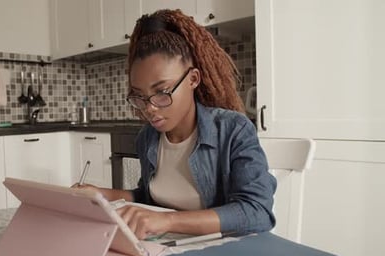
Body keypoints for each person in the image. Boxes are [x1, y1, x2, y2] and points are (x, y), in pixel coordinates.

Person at [76, 9, 276, 240]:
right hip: (163, 246)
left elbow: (257, 212)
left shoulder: (233, 129)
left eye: (162, 92)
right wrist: (99, 194)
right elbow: (149, 198)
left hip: (216, 250)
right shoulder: (148, 137)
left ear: (193, 79)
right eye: (139, 96)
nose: (150, 108)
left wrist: (167, 221)